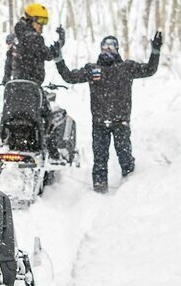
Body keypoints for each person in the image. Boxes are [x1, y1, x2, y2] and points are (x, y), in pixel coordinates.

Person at [54, 32, 164, 193]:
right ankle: (99, 191)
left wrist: (155, 51)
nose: (108, 49)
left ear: (117, 49)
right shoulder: (93, 69)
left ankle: (131, 187)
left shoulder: (126, 67)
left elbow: (149, 70)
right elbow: (69, 77)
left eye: (112, 46)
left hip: (121, 122)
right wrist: (58, 59)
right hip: (100, 123)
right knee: (100, 159)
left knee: (125, 157)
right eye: (105, 46)